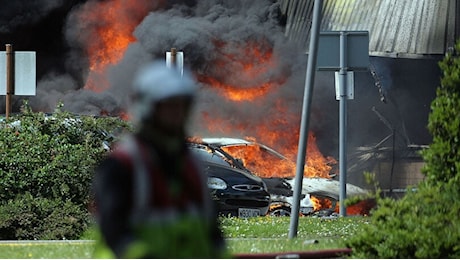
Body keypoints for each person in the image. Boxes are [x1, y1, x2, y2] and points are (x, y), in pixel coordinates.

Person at [91, 61, 227, 258]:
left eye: (182, 106)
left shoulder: (193, 165)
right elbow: (115, 232)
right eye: (170, 107)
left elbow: (213, 235)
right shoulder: (121, 166)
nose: (178, 114)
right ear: (149, 108)